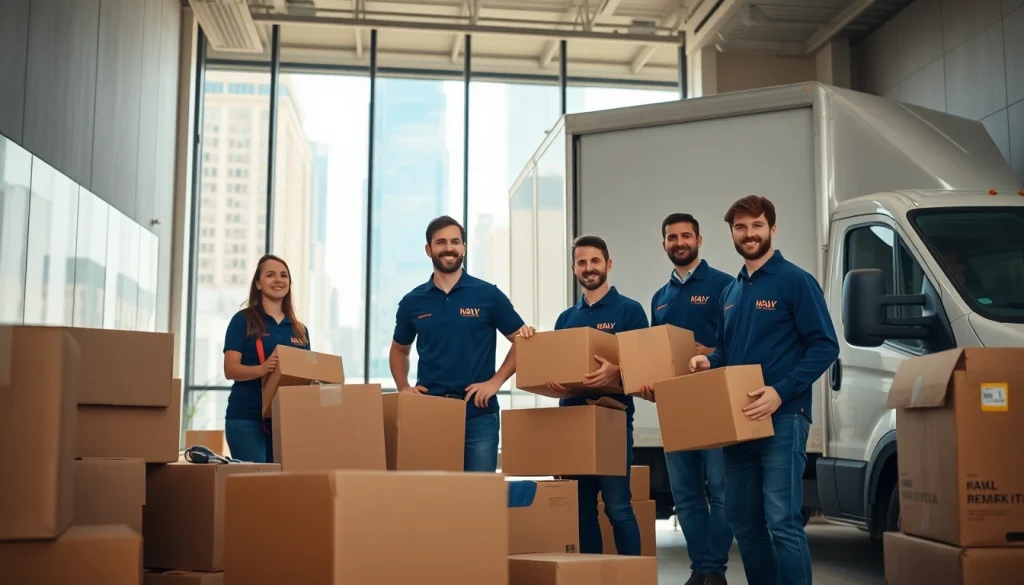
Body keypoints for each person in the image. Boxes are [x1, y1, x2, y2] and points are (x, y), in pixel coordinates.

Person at [690, 195, 839, 585]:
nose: (749, 233)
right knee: (741, 518)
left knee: (781, 520)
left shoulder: (795, 281)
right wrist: (709, 361)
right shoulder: (731, 292)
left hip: (784, 417)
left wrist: (780, 392)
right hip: (738, 421)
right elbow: (726, 349)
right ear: (732, 234)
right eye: (740, 227)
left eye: (756, 225)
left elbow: (825, 345)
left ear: (772, 229)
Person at [522, 235, 646, 556]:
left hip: (612, 424)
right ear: (573, 269)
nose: (588, 268)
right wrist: (553, 382)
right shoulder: (566, 319)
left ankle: (634, 577)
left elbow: (645, 370)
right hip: (572, 423)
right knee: (581, 511)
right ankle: (593, 575)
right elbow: (556, 367)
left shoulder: (630, 311)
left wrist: (616, 372)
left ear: (608, 264)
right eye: (581, 262)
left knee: (618, 507)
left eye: (594, 261)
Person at [390, 215, 531, 473]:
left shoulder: (488, 295)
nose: (449, 248)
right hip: (430, 413)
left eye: (455, 241)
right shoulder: (412, 301)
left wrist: (496, 382)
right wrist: (403, 387)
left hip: (479, 415)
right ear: (428, 249)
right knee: (434, 492)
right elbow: (399, 350)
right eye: (441, 242)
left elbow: (523, 341)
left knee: (479, 493)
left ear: (464, 247)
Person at [643, 213, 734, 585]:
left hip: (714, 399)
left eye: (685, 236)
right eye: (671, 237)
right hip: (674, 403)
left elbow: (738, 343)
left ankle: (713, 568)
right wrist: (650, 380)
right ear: (664, 243)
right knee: (685, 493)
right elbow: (654, 353)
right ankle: (702, 569)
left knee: (722, 490)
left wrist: (710, 351)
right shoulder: (659, 298)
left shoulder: (725, 285)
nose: (679, 242)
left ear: (699, 239)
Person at [223, 253, 311, 463]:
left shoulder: (300, 330)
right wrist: (262, 369)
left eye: (283, 275)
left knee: (279, 482)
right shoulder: (243, 320)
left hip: (284, 421)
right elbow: (230, 369)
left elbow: (305, 375)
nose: (278, 280)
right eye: (270, 275)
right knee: (257, 480)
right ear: (258, 284)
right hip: (246, 419)